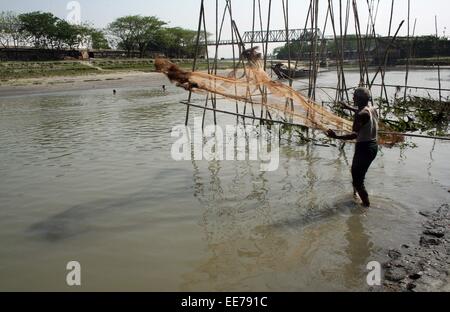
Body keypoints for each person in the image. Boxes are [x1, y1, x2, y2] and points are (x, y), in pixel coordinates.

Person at [327, 87, 379, 207]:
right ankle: (356, 197)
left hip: (364, 148)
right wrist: (348, 107)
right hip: (372, 146)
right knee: (357, 174)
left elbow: (354, 134)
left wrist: (336, 137)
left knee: (357, 180)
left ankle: (366, 206)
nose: (353, 98)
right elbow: (362, 111)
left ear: (360, 99)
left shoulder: (360, 115)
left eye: (355, 96)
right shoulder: (371, 109)